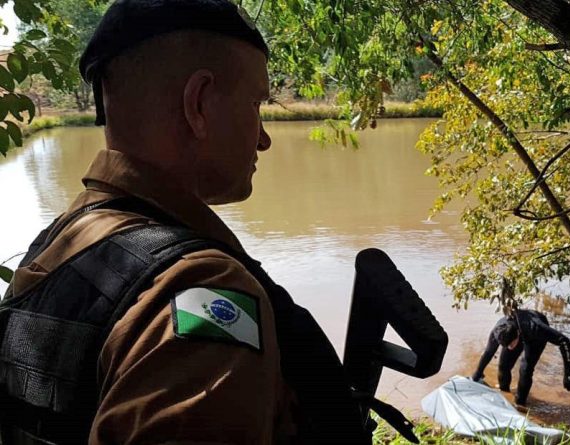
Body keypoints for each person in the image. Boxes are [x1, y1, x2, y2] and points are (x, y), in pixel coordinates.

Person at [0, 1, 370, 443]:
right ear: (199, 104)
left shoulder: (64, 237)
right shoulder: (200, 287)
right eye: (256, 103)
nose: (264, 139)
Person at [471, 309, 570, 407]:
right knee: (503, 365)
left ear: (517, 334)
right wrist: (477, 374)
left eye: (511, 345)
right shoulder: (498, 331)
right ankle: (504, 392)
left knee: (525, 369)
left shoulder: (536, 327)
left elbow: (564, 341)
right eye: (506, 346)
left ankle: (520, 403)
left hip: (534, 336)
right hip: (517, 331)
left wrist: (569, 374)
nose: (509, 348)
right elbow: (488, 352)